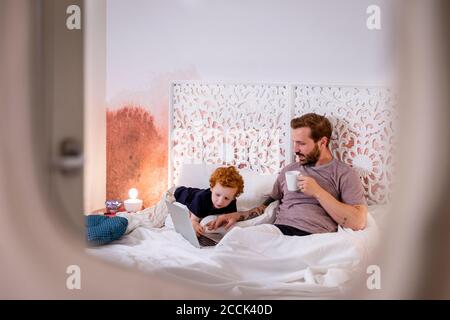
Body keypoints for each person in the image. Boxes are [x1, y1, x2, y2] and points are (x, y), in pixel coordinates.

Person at [207, 113, 368, 236]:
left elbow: (358, 222)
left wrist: (318, 192)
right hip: (279, 232)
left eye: (301, 143)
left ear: (323, 142)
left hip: (313, 237)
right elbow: (267, 205)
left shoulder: (344, 173)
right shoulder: (288, 170)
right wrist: (238, 215)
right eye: (294, 142)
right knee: (234, 241)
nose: (295, 149)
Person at [174, 166, 244, 236]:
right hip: (181, 194)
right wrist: (194, 223)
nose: (220, 202)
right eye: (217, 195)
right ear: (211, 188)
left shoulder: (232, 202)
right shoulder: (201, 198)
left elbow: (230, 217)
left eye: (226, 198)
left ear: (233, 197)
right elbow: (193, 220)